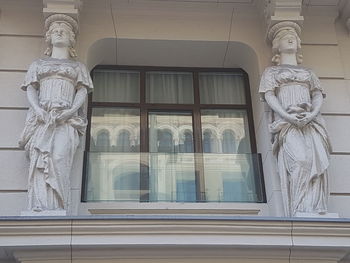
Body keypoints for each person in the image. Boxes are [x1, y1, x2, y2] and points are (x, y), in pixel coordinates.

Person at [18, 14, 93, 212]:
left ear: (71, 38)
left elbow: (83, 91)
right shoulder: (38, 65)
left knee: (59, 157)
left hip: (65, 121)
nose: (59, 33)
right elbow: (31, 89)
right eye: (55, 31)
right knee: (40, 160)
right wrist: (38, 111)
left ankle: (57, 204)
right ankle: (41, 206)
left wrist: (69, 112)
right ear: (49, 37)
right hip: (43, 119)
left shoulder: (78, 67)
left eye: (64, 31)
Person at [259, 22, 331, 217]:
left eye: (294, 37)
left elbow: (317, 94)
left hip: (311, 122)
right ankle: (299, 207)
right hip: (287, 123)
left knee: (316, 161)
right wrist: (287, 115)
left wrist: (312, 114)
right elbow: (269, 96)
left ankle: (314, 207)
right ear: (277, 45)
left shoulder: (309, 73)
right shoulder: (271, 73)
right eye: (285, 37)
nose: (291, 39)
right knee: (300, 161)